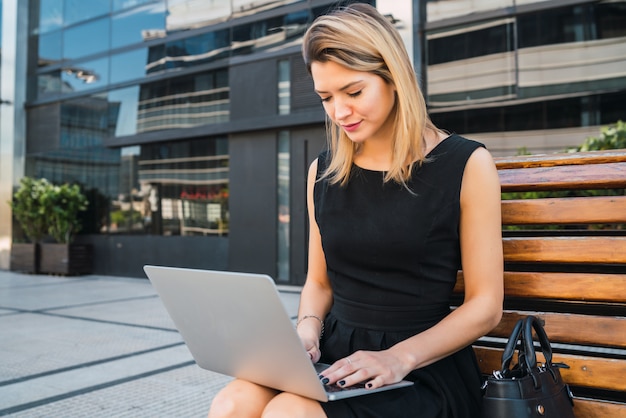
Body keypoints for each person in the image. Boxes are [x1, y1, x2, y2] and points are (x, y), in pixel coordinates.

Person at [208, 3, 503, 417]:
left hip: (422, 368)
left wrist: (399, 357)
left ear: (393, 77)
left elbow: (486, 306)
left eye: (354, 91)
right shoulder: (322, 172)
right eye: (326, 97)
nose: (339, 112)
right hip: (337, 358)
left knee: (288, 413)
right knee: (232, 403)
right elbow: (319, 284)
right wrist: (306, 328)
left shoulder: (466, 163)